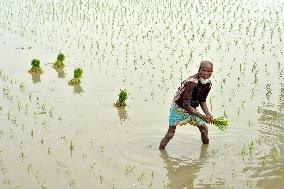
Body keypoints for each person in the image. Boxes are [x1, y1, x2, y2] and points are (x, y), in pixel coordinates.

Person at [159, 61, 214, 150]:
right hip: (179, 107)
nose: (206, 73)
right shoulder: (192, 83)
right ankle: (161, 151)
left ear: (212, 72)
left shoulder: (208, 84)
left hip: (191, 107)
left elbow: (202, 100)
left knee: (204, 129)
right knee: (170, 134)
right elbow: (186, 105)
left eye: (209, 71)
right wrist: (201, 116)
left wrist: (208, 114)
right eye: (204, 70)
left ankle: (205, 152)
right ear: (199, 70)